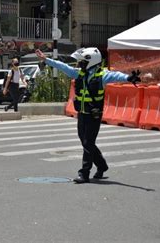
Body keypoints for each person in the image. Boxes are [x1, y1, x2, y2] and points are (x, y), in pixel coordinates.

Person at [35, 48, 142, 183]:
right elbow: (63, 67)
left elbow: (116, 75)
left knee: (88, 143)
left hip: (94, 115)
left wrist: (128, 78)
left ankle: (84, 173)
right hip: (82, 113)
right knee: (85, 142)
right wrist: (46, 60)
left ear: (92, 62)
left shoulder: (102, 75)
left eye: (83, 62)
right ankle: (102, 165)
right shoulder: (79, 73)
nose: (80, 64)